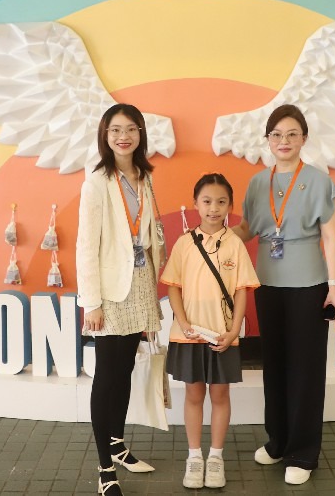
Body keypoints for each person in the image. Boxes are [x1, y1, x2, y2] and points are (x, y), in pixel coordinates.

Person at [231, 104, 335, 485]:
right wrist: (213, 238)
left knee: (305, 370)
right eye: (277, 135)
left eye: (292, 134)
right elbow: (247, 229)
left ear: (304, 139)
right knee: (275, 366)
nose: (284, 141)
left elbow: (331, 236)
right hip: (267, 286)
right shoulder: (257, 183)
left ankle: (302, 452)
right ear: (268, 140)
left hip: (309, 288)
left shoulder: (319, 181)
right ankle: (278, 441)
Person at [76, 104, 166, 496]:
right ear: (105, 135)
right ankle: (104, 470)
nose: (123, 136)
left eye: (130, 129)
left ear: (140, 134)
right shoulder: (96, 182)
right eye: (115, 130)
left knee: (126, 368)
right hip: (110, 292)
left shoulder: (145, 175)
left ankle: (117, 444)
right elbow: (86, 245)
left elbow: (148, 231)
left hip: (140, 283)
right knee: (107, 375)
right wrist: (91, 302)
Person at [161, 173, 259, 489]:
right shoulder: (184, 243)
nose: (213, 208)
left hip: (222, 336)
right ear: (195, 204)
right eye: (206, 201)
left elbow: (242, 290)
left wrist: (234, 331)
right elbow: (173, 287)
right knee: (193, 394)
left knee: (220, 394)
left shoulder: (235, 244)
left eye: (221, 202)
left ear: (230, 205)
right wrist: (183, 322)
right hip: (189, 336)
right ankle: (194, 457)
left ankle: (216, 457)